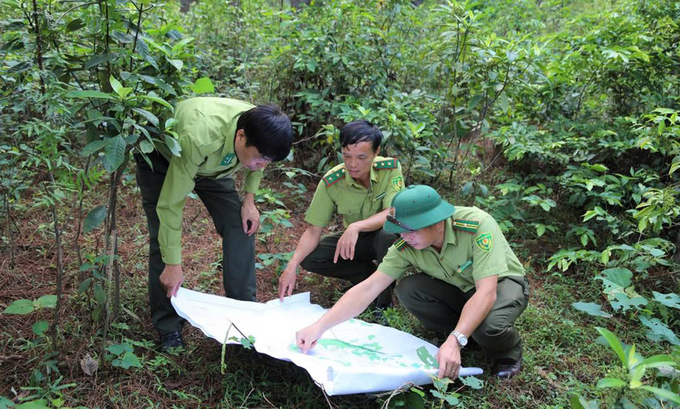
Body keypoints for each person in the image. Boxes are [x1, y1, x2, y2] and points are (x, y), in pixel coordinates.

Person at [295, 185, 529, 379]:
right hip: (459, 289)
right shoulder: (406, 244)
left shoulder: (476, 225)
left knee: (490, 327)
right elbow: (369, 288)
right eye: (400, 230)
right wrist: (319, 326)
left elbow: (486, 293)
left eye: (412, 229)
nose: (405, 236)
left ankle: (507, 353)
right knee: (409, 289)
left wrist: (456, 341)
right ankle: (464, 335)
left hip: (500, 283)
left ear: (437, 222)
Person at [135, 97, 293, 350]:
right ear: (241, 137)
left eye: (268, 161)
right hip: (166, 159)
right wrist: (173, 263)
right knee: (163, 242)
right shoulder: (199, 137)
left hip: (212, 167)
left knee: (241, 225)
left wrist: (249, 199)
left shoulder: (259, 130)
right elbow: (170, 206)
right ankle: (169, 327)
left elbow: (259, 162)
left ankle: (244, 314)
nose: (262, 166)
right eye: (260, 158)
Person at [278, 120, 404, 308]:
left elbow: (391, 212)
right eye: (347, 156)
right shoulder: (332, 181)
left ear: (376, 152)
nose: (353, 164)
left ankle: (383, 303)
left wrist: (356, 226)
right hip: (356, 240)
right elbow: (313, 231)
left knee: (386, 236)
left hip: (383, 235)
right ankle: (366, 277)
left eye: (361, 157)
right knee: (311, 256)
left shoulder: (390, 169)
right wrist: (292, 265)